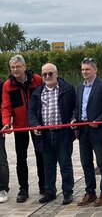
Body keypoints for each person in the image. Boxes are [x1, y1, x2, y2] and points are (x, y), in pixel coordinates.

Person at [28, 63, 76, 205]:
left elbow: (75, 107)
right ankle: (50, 192)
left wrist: (74, 119)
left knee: (65, 164)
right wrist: (35, 124)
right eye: (45, 74)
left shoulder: (67, 89)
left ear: (56, 73)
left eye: (50, 73)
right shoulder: (37, 92)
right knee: (48, 165)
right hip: (45, 135)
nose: (48, 76)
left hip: (63, 133)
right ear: (42, 75)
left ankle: (67, 192)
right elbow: (31, 112)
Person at [1, 54, 45, 203]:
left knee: (41, 154)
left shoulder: (37, 80)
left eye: (18, 67)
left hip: (37, 124)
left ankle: (43, 185)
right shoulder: (8, 85)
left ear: (25, 67)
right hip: (20, 127)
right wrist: (6, 122)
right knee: (21, 158)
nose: (15, 70)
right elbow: (6, 106)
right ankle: (23, 189)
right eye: (12, 67)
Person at [71, 57, 102, 207]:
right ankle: (90, 192)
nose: (84, 72)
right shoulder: (79, 87)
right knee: (85, 163)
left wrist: (98, 120)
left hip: (97, 130)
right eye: (82, 69)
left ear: (95, 70)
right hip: (82, 130)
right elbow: (77, 108)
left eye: (87, 69)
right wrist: (73, 119)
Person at [0, 79, 9, 203]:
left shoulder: (1, 85)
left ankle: (2, 188)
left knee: (0, 159)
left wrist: (6, 122)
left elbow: (4, 106)